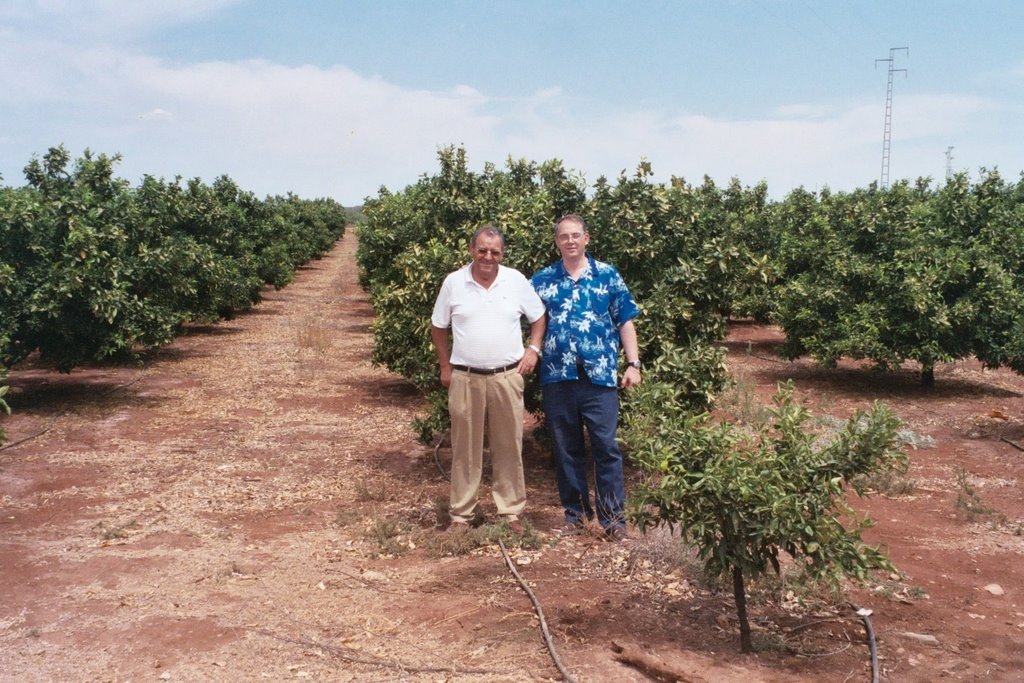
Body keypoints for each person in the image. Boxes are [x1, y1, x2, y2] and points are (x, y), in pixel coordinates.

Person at [531, 214, 641, 541]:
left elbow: (625, 321)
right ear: (557, 242)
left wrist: (633, 363)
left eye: (576, 235)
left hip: (600, 378)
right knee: (567, 448)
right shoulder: (541, 280)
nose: (570, 241)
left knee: (607, 447)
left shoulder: (607, 275)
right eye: (564, 236)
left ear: (587, 238)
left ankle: (613, 521)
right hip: (557, 376)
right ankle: (576, 516)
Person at [431, 226, 546, 531]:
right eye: (482, 250)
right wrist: (445, 366)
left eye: (494, 252)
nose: (488, 257)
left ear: (502, 254)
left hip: (506, 377)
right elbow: (438, 326)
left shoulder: (516, 281)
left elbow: (538, 316)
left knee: (509, 447)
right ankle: (460, 515)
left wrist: (533, 350)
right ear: (472, 250)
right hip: (465, 377)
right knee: (464, 450)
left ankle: (510, 514)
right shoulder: (454, 282)